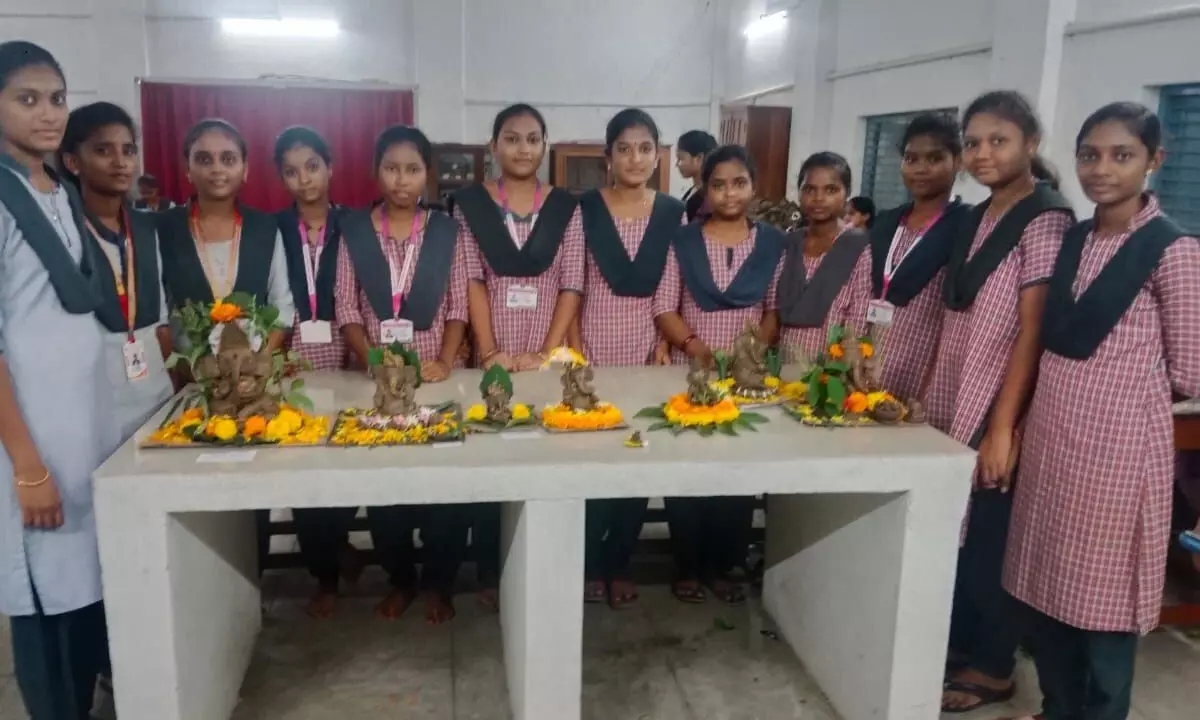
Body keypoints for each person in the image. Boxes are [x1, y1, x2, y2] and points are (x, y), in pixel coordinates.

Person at [1002, 103, 1200, 720]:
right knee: (1048, 589)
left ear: (1153, 162)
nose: (1101, 169)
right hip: (1054, 441)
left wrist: (1117, 391)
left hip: (1117, 457)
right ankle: (1058, 708)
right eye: (1090, 154)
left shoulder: (1173, 250)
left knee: (1105, 604)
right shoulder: (1074, 238)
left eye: (1122, 155)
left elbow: (1191, 368)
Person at [925, 90, 1075, 715]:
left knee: (989, 537)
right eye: (975, 142)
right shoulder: (983, 213)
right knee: (958, 535)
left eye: (999, 141)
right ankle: (961, 647)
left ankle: (992, 667)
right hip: (958, 391)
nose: (984, 153)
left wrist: (1003, 427)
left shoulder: (1045, 219)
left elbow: (1032, 329)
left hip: (996, 399)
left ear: (1030, 144)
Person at [0, 40, 118, 720]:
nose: (48, 114)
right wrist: (25, 464)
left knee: (85, 591)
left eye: (56, 98)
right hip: (32, 437)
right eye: (27, 99)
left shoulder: (58, 191)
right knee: (43, 602)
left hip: (84, 429)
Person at [336, 125, 470, 624]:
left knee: (443, 490)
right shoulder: (356, 232)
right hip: (376, 382)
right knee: (385, 489)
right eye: (391, 168)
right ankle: (401, 580)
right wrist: (371, 359)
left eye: (412, 169)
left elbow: (458, 305)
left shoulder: (444, 233)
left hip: (434, 378)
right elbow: (346, 306)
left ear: (427, 175)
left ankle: (440, 584)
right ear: (377, 172)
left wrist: (446, 361)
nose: (401, 179)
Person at [454, 103, 584, 609]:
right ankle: (490, 568)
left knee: (548, 457)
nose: (523, 148)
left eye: (533, 139)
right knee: (490, 457)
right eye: (511, 138)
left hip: (545, 353)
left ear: (544, 145)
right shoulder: (470, 206)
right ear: (493, 147)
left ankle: (549, 566)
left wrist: (547, 351)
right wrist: (490, 352)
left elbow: (572, 281)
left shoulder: (565, 207)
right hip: (491, 355)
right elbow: (471, 278)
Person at [653, 145, 785, 605]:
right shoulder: (684, 241)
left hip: (747, 376)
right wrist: (696, 348)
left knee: (738, 470)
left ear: (753, 186)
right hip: (695, 372)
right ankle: (687, 564)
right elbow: (664, 307)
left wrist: (754, 350)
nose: (729, 193)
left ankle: (724, 564)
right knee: (687, 469)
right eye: (719, 184)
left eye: (739, 182)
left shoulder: (772, 243)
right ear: (705, 189)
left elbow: (774, 308)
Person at [576, 109, 685, 609]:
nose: (635, 158)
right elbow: (575, 281)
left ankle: (618, 562)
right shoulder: (586, 210)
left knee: (637, 456)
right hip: (593, 348)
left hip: (646, 348)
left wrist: (663, 343)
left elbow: (670, 284)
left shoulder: (670, 212)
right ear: (608, 157)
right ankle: (585, 563)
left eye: (645, 148)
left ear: (657, 154)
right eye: (625, 148)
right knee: (591, 458)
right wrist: (575, 347)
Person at [271, 125, 364, 619]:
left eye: (312, 166)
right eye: (291, 171)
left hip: (346, 347)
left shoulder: (355, 225)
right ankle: (325, 574)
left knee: (345, 460)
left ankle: (342, 538)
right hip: (294, 355)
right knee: (303, 467)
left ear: (330, 167)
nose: (304, 179)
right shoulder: (272, 229)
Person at [58, 102, 174, 446]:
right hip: (95, 408)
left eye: (128, 150)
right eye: (102, 151)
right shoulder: (64, 232)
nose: (120, 162)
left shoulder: (145, 227)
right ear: (72, 161)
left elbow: (162, 320)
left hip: (157, 396)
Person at [156, 119, 294, 352]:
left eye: (228, 159)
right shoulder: (165, 228)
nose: (217, 169)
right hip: (187, 376)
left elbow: (282, 304)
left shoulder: (265, 228)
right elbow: (158, 315)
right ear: (188, 170)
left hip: (253, 375)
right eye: (204, 159)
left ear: (245, 169)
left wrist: (261, 360)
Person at [868, 114, 971, 401]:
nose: (921, 169)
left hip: (924, 372)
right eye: (911, 159)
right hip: (870, 360)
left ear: (958, 162)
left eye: (934, 158)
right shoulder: (887, 222)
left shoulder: (966, 227)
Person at [776, 152, 872, 363]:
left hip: (831, 370)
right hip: (781, 364)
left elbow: (858, 316)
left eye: (831, 190)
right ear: (799, 193)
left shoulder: (858, 247)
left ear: (846, 195)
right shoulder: (789, 244)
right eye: (810, 189)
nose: (819, 198)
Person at [676, 129, 717, 223]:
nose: (677, 164)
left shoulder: (708, 197)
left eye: (681, 158)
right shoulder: (694, 190)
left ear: (699, 158)